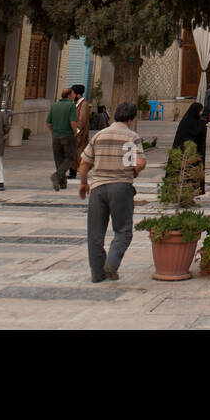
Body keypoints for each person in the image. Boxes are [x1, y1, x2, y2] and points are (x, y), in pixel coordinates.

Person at [78, 100, 146, 283]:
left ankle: (97, 273)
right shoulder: (131, 137)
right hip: (121, 186)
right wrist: (135, 172)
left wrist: (84, 183)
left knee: (95, 233)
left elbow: (84, 162)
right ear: (131, 118)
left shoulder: (99, 136)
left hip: (98, 187)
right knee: (123, 230)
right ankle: (112, 263)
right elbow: (139, 162)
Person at [171, 101, 208, 194]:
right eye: (200, 111)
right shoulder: (193, 124)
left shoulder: (186, 122)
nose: (201, 113)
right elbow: (197, 135)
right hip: (190, 154)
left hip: (189, 154)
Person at [47, 88, 79, 190]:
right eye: (73, 93)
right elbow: (72, 122)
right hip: (67, 135)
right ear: (69, 95)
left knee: (59, 160)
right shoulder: (71, 105)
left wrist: (54, 131)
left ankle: (62, 183)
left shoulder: (55, 105)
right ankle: (56, 175)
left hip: (56, 136)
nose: (75, 95)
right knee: (69, 158)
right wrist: (75, 132)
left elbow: (48, 123)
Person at [69, 84, 90, 180]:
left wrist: (75, 131)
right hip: (75, 133)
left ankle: (76, 172)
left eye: (72, 93)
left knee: (78, 153)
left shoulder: (84, 104)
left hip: (80, 134)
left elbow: (82, 120)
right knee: (74, 153)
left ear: (78, 94)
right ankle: (73, 172)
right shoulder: (76, 104)